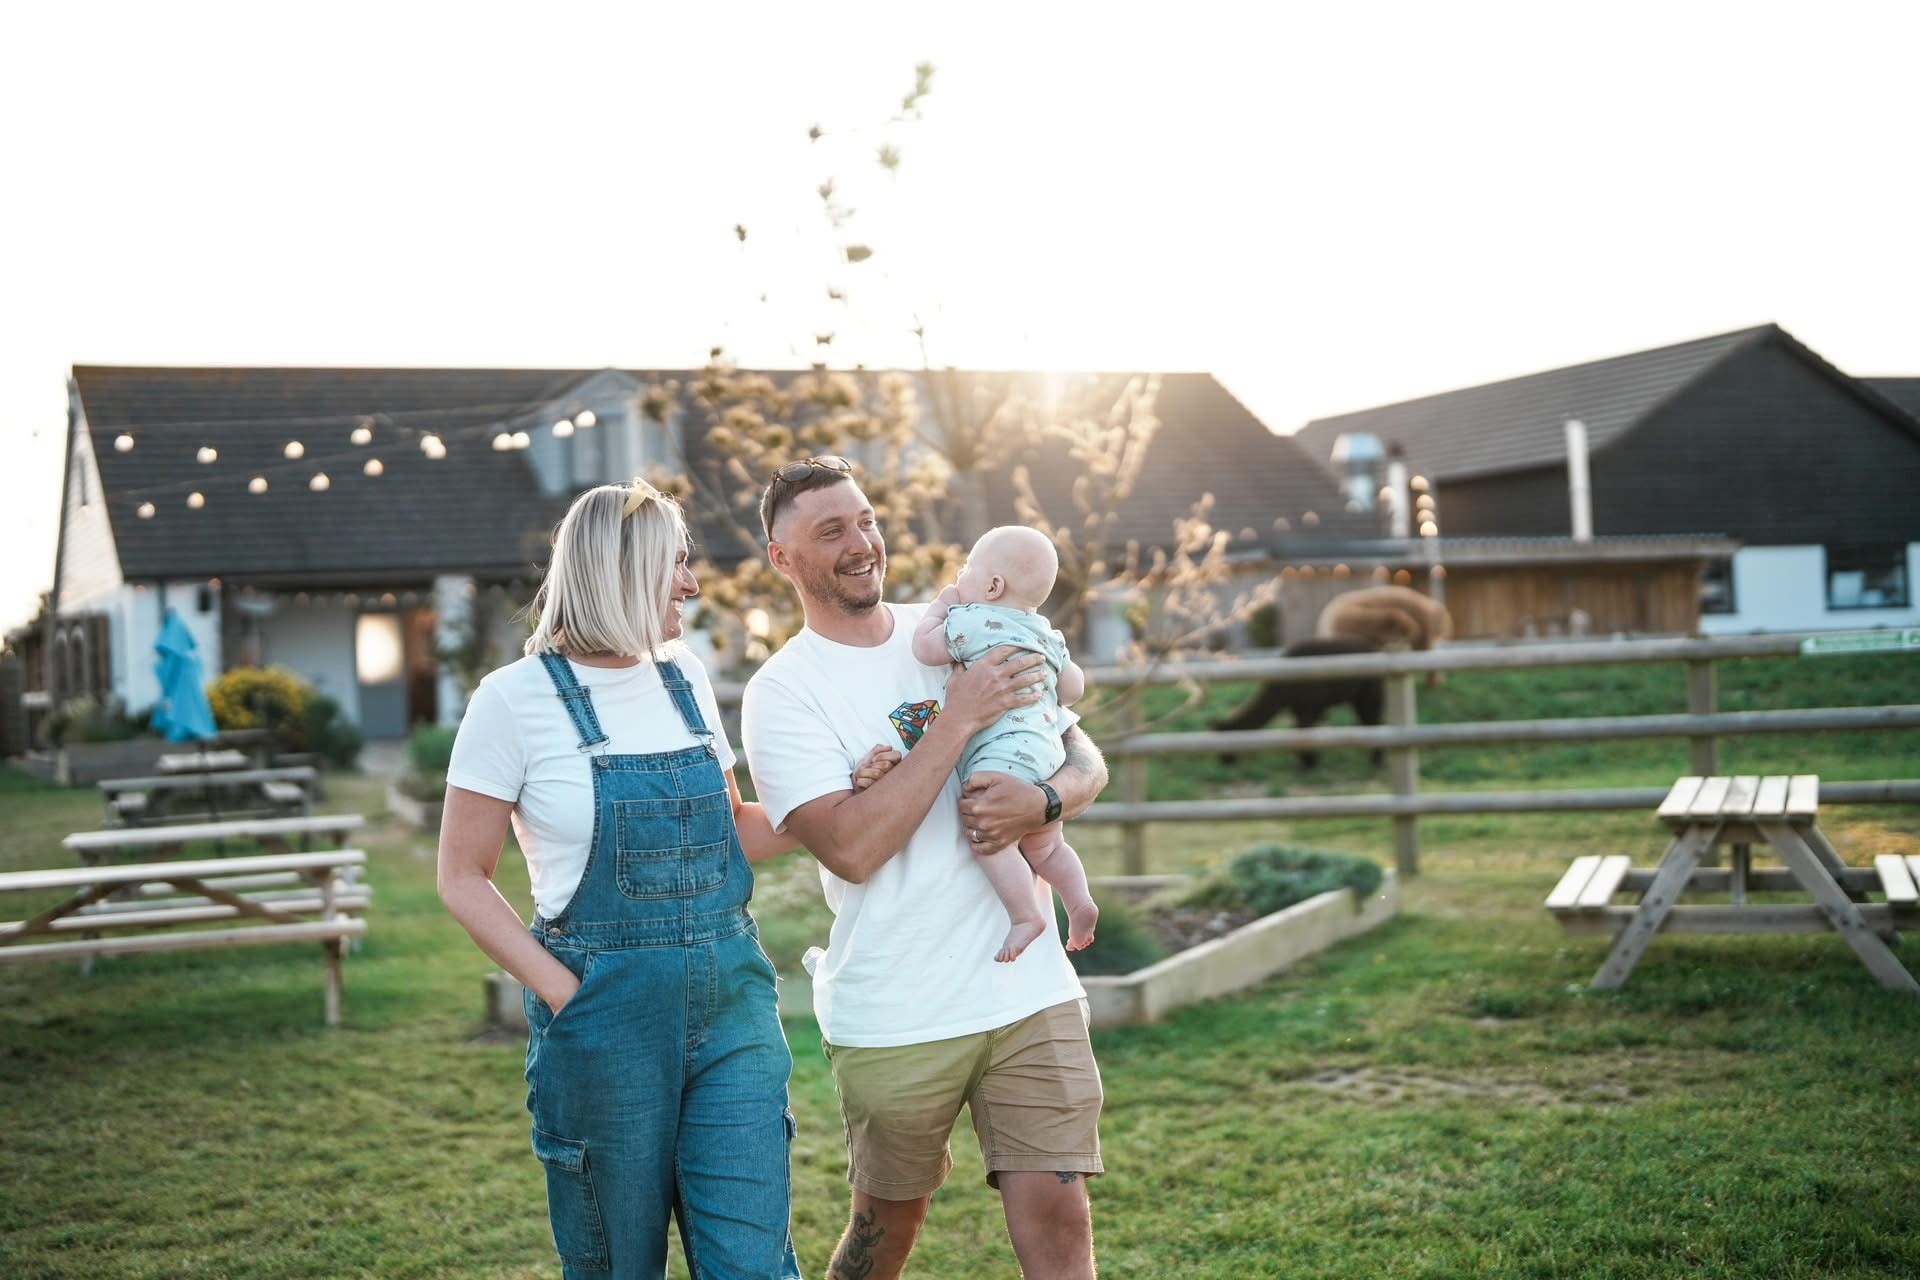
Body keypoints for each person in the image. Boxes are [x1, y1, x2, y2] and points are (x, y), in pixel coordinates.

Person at [741, 456, 1110, 1280]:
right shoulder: (783, 691)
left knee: (1060, 1215)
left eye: (866, 519)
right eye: (829, 530)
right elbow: (851, 847)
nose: (860, 542)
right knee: (887, 1232)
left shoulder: (971, 619)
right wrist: (957, 719)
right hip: (899, 1002)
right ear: (782, 556)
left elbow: (1078, 745)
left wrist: (1047, 802)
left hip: (1026, 985)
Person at [437, 477, 803, 1280]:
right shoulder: (512, 701)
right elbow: (462, 877)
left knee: (753, 1265)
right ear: (621, 569)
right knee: (617, 1267)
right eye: (677, 563)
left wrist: (844, 795)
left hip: (733, 1005)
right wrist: (568, 995)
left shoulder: (686, 677)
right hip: (606, 1022)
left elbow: (731, 832)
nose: (692, 584)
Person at [898, 525, 1098, 962]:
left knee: (988, 834)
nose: (959, 576)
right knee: (1046, 844)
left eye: (967, 568)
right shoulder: (1046, 633)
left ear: (992, 585)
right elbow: (1072, 689)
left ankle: (1025, 915)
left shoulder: (968, 620)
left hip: (1002, 759)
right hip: (1048, 756)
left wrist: (939, 608)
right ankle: (1079, 899)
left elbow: (925, 649)